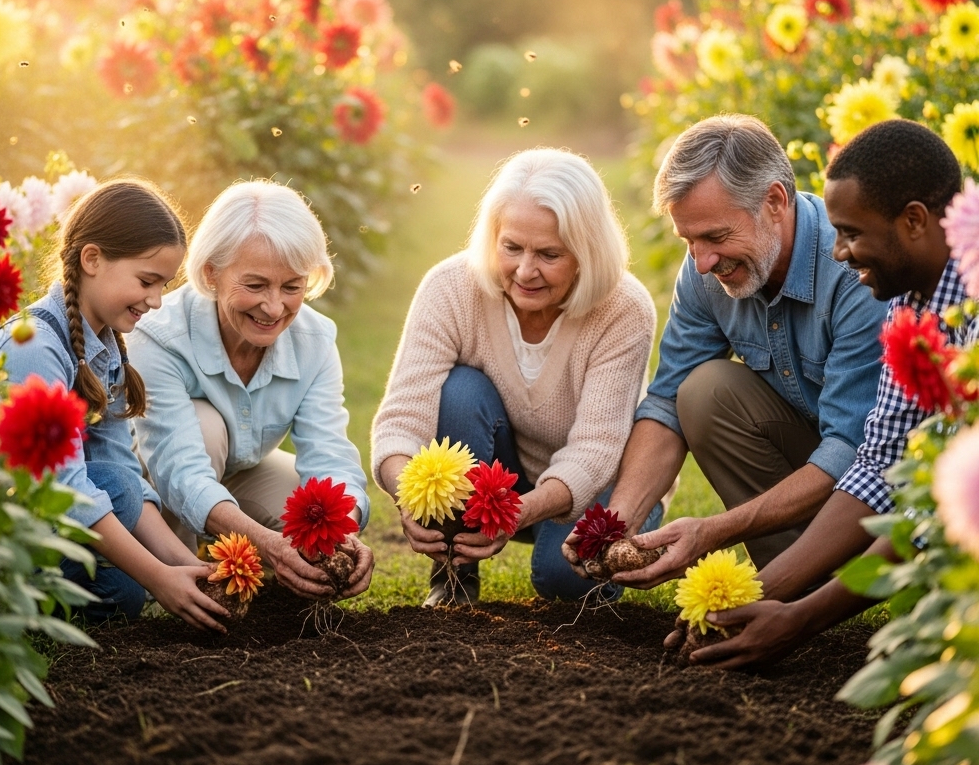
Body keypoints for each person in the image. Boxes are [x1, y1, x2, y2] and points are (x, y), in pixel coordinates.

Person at [680, 119, 978, 668]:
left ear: (914, 220)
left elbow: (937, 509)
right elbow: (881, 467)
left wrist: (805, 618)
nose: (839, 253)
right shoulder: (910, 305)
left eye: (852, 234)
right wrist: (754, 597)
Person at [563, 114, 887, 587]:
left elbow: (852, 452)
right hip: (817, 460)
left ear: (775, 201)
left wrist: (712, 533)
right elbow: (668, 402)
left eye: (715, 236)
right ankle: (792, 579)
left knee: (711, 392)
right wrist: (616, 521)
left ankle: (815, 578)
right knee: (702, 392)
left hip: (883, 485)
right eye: (688, 240)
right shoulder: (704, 271)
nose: (702, 261)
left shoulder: (853, 274)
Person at [371, 147, 660, 607]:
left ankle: (628, 540)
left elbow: (598, 448)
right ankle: (454, 571)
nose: (526, 271)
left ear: (587, 253)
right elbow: (402, 419)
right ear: (493, 239)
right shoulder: (450, 288)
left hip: (599, 484)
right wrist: (408, 496)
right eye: (511, 248)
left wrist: (517, 512)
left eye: (549, 254)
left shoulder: (623, 309)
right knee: (461, 392)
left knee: (561, 581)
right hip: (504, 476)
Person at [0, 178, 230, 631]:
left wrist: (188, 567)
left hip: (36, 523)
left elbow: (123, 473)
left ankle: (23, 602)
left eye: (164, 285)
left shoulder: (105, 349)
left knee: (125, 590)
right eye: (146, 281)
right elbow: (72, 492)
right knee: (116, 504)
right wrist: (159, 577)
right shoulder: (35, 348)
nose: (156, 301)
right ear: (91, 259)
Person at [128, 180, 374, 602]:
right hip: (153, 478)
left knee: (317, 512)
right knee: (206, 428)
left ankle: (245, 551)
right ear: (211, 273)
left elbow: (329, 454)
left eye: (292, 287)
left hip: (242, 471)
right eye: (256, 285)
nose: (275, 308)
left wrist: (343, 530)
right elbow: (181, 469)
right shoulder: (161, 336)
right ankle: (178, 565)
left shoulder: (314, 340)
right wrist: (270, 546)